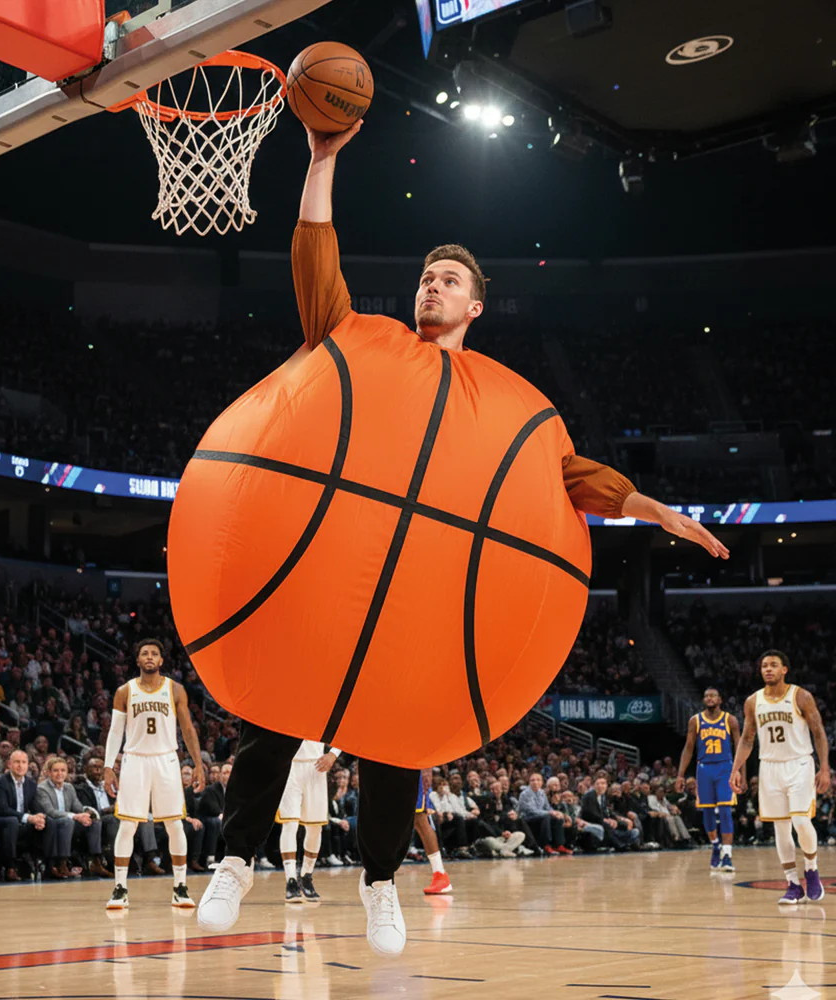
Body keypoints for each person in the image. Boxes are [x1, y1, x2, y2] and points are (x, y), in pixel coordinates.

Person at [194, 119, 730, 956]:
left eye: (447, 280)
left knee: (397, 731)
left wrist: (656, 512)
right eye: (425, 277)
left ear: (475, 304)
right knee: (274, 702)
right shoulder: (362, 340)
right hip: (336, 567)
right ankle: (234, 859)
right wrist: (322, 160)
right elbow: (314, 257)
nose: (431, 287)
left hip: (422, 588)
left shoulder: (510, 403)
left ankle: (380, 884)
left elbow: (571, 475)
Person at [103, 638, 205, 910]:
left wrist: (198, 764)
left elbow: (187, 729)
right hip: (134, 760)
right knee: (127, 824)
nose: (149, 657)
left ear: (161, 661)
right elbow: (115, 732)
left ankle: (180, 887)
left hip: (166, 759)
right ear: (138, 660)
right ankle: (120, 889)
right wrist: (108, 766)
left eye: (154, 654)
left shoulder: (175, 689)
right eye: (144, 653)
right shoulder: (125, 691)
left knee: (174, 824)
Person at [730, 650, 831, 904]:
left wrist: (824, 767)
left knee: (800, 821)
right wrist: (735, 769)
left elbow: (818, 732)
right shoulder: (753, 701)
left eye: (774, 665)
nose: (768, 669)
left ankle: (811, 868)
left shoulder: (800, 696)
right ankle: (793, 884)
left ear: (785, 669)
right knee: (781, 828)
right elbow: (748, 738)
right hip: (770, 767)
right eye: (764, 666)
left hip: (799, 763)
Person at [676, 687, 741, 871]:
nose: (709, 698)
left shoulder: (730, 720)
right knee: (708, 812)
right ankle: (715, 845)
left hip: (725, 768)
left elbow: (740, 747)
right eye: (706, 696)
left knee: (725, 809)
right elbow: (688, 748)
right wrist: (680, 774)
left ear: (720, 699)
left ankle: (727, 854)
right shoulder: (695, 720)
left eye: (712, 695)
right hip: (704, 769)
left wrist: (740, 773)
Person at [277, 739, 340, 903]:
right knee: (290, 824)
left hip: (316, 765)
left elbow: (345, 729)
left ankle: (306, 875)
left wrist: (333, 754)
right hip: (290, 765)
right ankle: (290, 880)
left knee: (315, 828)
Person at [35, 756, 108, 879]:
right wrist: (75, 816)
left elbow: (77, 806)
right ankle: (62, 864)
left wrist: (87, 813)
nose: (60, 774)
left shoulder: (69, 787)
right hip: (51, 824)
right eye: (56, 770)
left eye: (63, 770)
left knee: (94, 822)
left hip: (70, 823)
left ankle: (96, 862)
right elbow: (50, 811)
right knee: (67, 821)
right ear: (49, 772)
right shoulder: (42, 788)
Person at [0, 749, 50, 881]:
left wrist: (39, 817)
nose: (20, 766)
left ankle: (49, 864)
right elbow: (2, 809)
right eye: (17, 762)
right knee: (12, 822)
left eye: (23, 762)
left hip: (21, 822)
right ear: (9, 764)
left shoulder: (31, 784)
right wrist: (28, 817)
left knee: (48, 822)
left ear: (27, 765)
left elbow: (34, 806)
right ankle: (10, 867)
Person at [518, 773, 572, 857]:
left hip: (540, 816)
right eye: (533, 780)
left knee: (558, 818)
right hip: (527, 818)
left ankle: (558, 845)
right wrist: (549, 813)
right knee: (546, 817)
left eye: (538, 780)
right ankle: (546, 845)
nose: (535, 782)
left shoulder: (542, 793)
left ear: (542, 782)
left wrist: (556, 813)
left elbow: (547, 807)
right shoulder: (525, 794)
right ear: (529, 782)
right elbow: (531, 810)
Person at [415, 771, 451, 895]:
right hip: (390, 764)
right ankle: (380, 874)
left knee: (419, 818)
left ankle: (440, 874)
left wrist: (426, 769)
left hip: (412, 768)